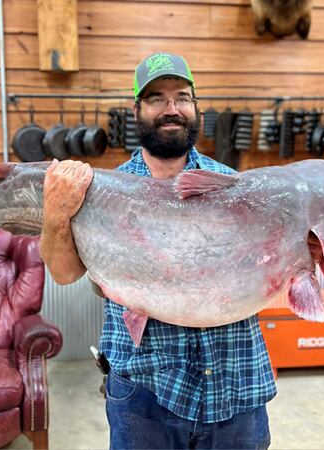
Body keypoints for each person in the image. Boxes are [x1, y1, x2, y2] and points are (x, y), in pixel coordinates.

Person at [39, 52, 275, 449]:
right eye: (156, 99)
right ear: (137, 110)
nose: (171, 109)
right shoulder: (100, 190)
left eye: (182, 97)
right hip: (145, 393)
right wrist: (55, 215)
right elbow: (64, 274)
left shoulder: (234, 186)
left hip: (236, 382)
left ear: (195, 107)